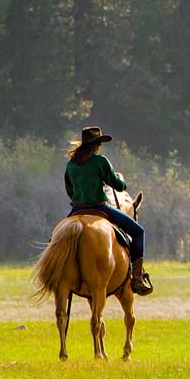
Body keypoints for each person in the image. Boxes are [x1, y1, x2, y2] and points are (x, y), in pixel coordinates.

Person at [63, 116, 151, 295]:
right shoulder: (100, 161)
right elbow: (117, 186)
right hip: (100, 208)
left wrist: (81, 197)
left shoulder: (71, 164)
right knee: (138, 232)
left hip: (77, 209)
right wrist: (121, 180)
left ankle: (57, 275)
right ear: (96, 145)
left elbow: (70, 190)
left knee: (55, 239)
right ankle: (137, 277)